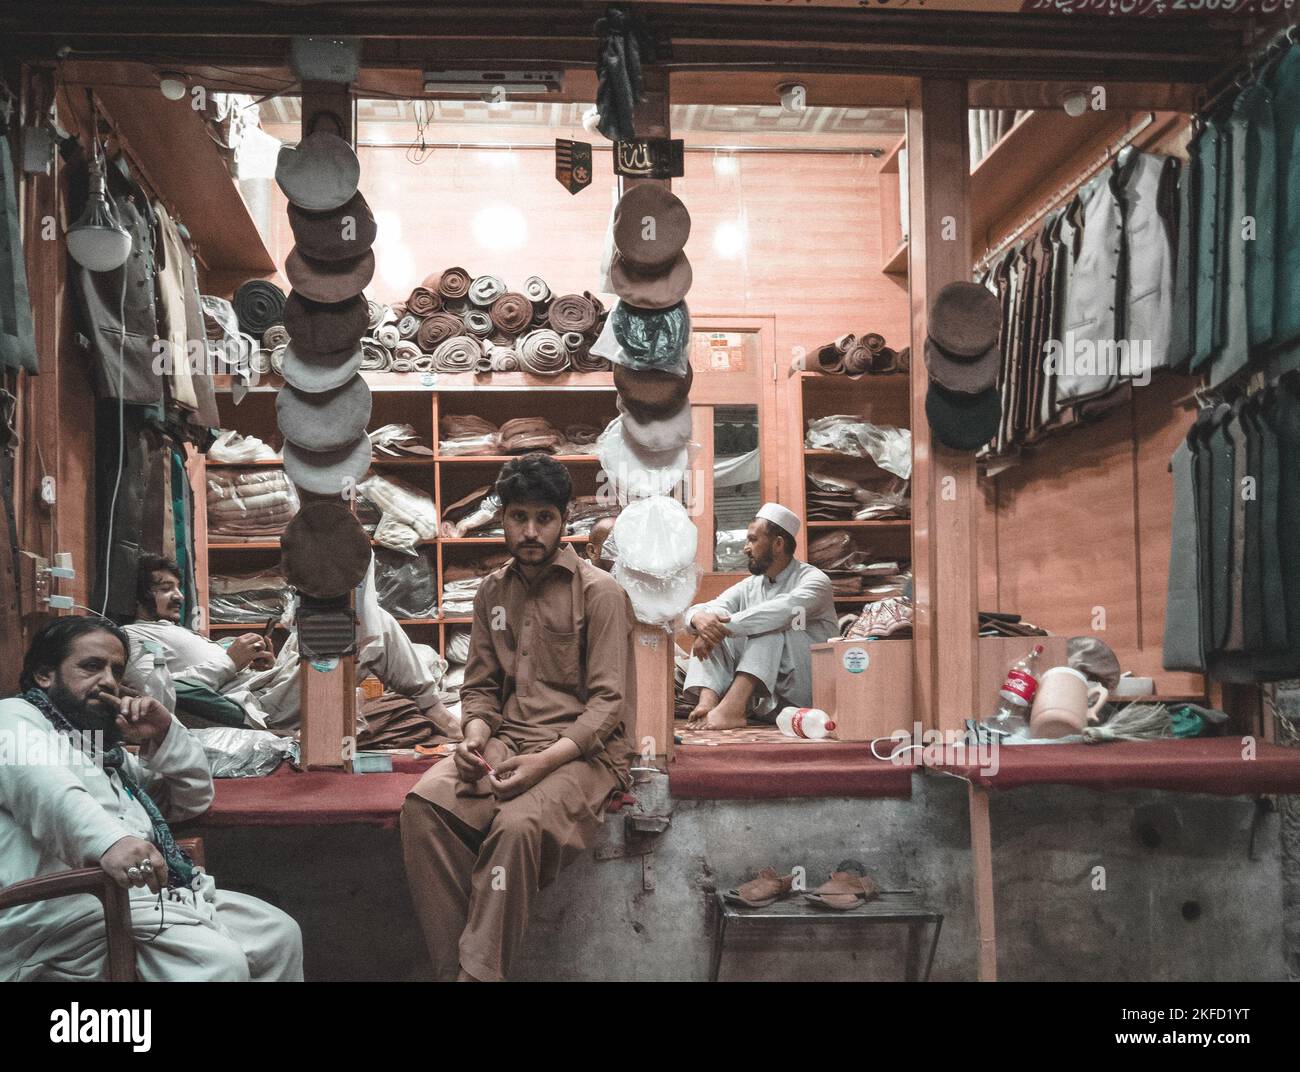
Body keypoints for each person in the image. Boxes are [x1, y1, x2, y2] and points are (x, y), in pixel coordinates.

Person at [400, 453, 636, 982]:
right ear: (501, 517)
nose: (531, 531)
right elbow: (480, 689)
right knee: (423, 808)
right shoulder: (492, 593)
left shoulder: (600, 594)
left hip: (584, 753)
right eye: (518, 517)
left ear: (563, 519)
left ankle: (475, 975)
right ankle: (461, 971)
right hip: (507, 739)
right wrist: (474, 738)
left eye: (544, 518)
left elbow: (606, 706)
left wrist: (542, 765)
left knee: (516, 826)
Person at [0, 616, 303, 981]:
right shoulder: (14, 718)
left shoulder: (98, 748)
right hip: (59, 917)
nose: (108, 681)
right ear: (45, 675)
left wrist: (164, 733)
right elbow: (46, 789)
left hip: (137, 904)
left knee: (277, 934)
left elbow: (190, 799)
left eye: (116, 670)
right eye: (92, 666)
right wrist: (112, 842)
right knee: (215, 964)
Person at [124, 554, 458, 737]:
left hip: (261, 684)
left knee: (322, 621)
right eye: (166, 589)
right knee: (369, 631)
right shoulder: (133, 637)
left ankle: (429, 699)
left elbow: (207, 671)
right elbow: (159, 695)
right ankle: (433, 708)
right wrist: (230, 661)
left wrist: (256, 662)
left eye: (178, 588)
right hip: (254, 706)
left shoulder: (171, 630)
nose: (179, 596)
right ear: (138, 594)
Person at [684, 502, 837, 729]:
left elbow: (780, 612)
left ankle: (731, 710)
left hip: (803, 693)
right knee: (715, 622)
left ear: (777, 544)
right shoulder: (750, 585)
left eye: (753, 540)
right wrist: (700, 621)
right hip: (762, 700)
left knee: (767, 628)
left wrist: (714, 629)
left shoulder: (815, 581)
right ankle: (708, 703)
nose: (746, 548)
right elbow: (712, 607)